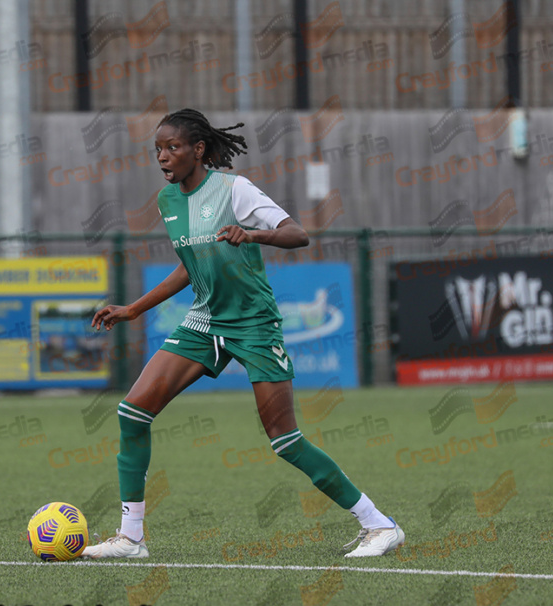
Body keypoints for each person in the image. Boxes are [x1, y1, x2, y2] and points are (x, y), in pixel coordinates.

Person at [84, 109, 404, 559]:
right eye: (157, 149)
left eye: (173, 147)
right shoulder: (168, 201)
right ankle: (131, 538)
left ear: (198, 149)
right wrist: (134, 309)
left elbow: (297, 234)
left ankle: (380, 525)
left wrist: (252, 235)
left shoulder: (236, 189)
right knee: (133, 412)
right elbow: (189, 262)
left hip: (253, 323)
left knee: (284, 438)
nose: (163, 156)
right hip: (203, 320)